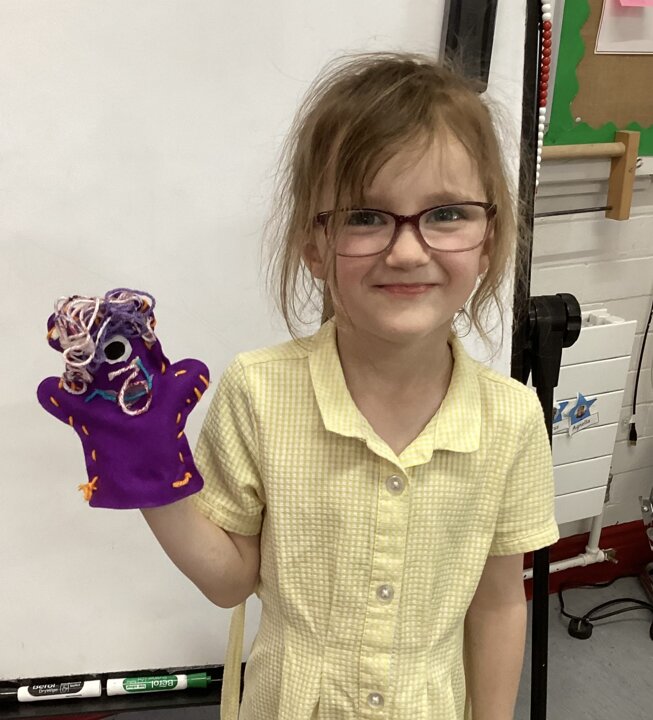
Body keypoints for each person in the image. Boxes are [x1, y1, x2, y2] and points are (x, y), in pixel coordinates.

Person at [142, 52, 559, 720]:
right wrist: (147, 471)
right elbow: (228, 582)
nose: (407, 251)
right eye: (365, 216)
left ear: (488, 239)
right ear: (314, 244)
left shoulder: (511, 418)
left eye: (446, 213)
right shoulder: (258, 390)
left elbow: (498, 602)